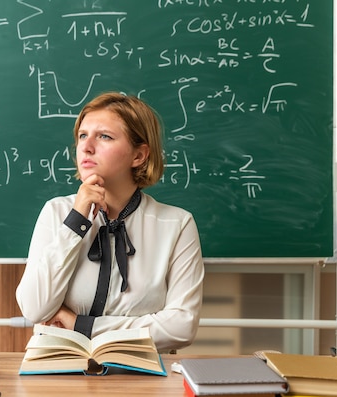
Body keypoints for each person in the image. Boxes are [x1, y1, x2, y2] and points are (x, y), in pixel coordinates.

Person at [15, 92, 204, 352]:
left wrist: (83, 327)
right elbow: (35, 308)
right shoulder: (56, 212)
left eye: (104, 136)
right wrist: (76, 223)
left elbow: (181, 327)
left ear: (139, 156)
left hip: (141, 376)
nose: (87, 146)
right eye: (83, 135)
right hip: (57, 369)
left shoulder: (177, 224)